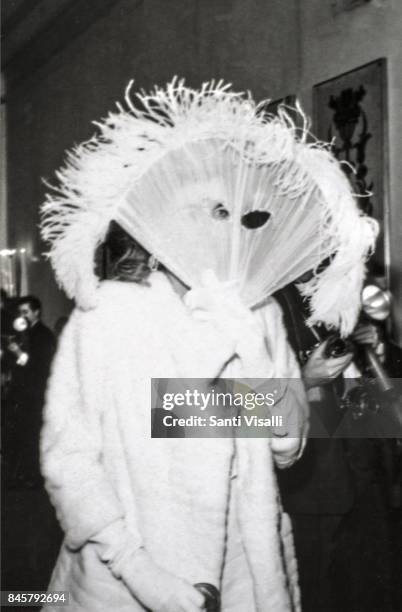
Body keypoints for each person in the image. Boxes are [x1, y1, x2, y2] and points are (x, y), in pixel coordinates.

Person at [41, 221, 307, 612]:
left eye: (227, 217)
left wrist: (255, 355)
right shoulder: (107, 314)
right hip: (125, 577)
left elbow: (287, 447)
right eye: (205, 215)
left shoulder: (261, 311)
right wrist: (137, 570)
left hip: (245, 575)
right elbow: (69, 460)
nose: (218, 230)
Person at [275, 280, 393, 612]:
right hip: (307, 481)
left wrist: (374, 347)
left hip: (359, 467)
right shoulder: (263, 294)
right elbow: (205, 407)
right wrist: (305, 379)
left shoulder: (330, 283)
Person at [7, 295, 56, 485]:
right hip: (22, 393)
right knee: (22, 434)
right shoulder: (25, 334)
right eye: (20, 312)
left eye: (26, 312)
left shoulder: (43, 335)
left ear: (37, 312)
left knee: (32, 434)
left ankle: (32, 476)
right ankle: (23, 473)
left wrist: (18, 353)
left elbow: (37, 366)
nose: (22, 316)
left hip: (34, 393)